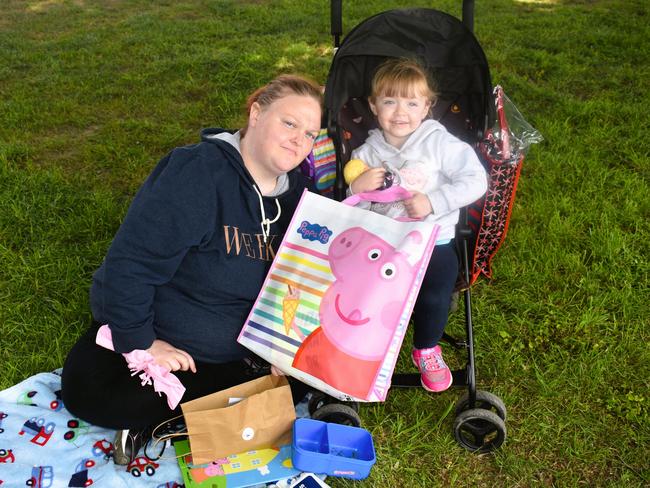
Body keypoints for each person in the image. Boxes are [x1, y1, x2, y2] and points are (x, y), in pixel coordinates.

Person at [61, 74, 323, 464]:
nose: (298, 139)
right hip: (167, 333)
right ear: (256, 113)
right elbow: (130, 265)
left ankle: (169, 421)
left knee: (304, 374)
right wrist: (143, 343)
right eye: (289, 123)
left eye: (311, 133)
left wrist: (281, 346)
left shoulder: (303, 199)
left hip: (242, 353)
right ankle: (206, 410)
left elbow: (301, 283)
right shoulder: (196, 174)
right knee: (89, 391)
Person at [347, 58, 487, 393]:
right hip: (383, 244)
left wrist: (434, 201)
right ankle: (365, 349)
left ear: (426, 107)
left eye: (412, 103)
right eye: (390, 101)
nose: (400, 112)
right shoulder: (365, 153)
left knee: (436, 288)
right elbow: (357, 208)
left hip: (431, 241)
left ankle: (425, 347)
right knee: (364, 291)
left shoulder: (440, 143)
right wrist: (358, 188)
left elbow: (476, 180)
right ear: (374, 105)